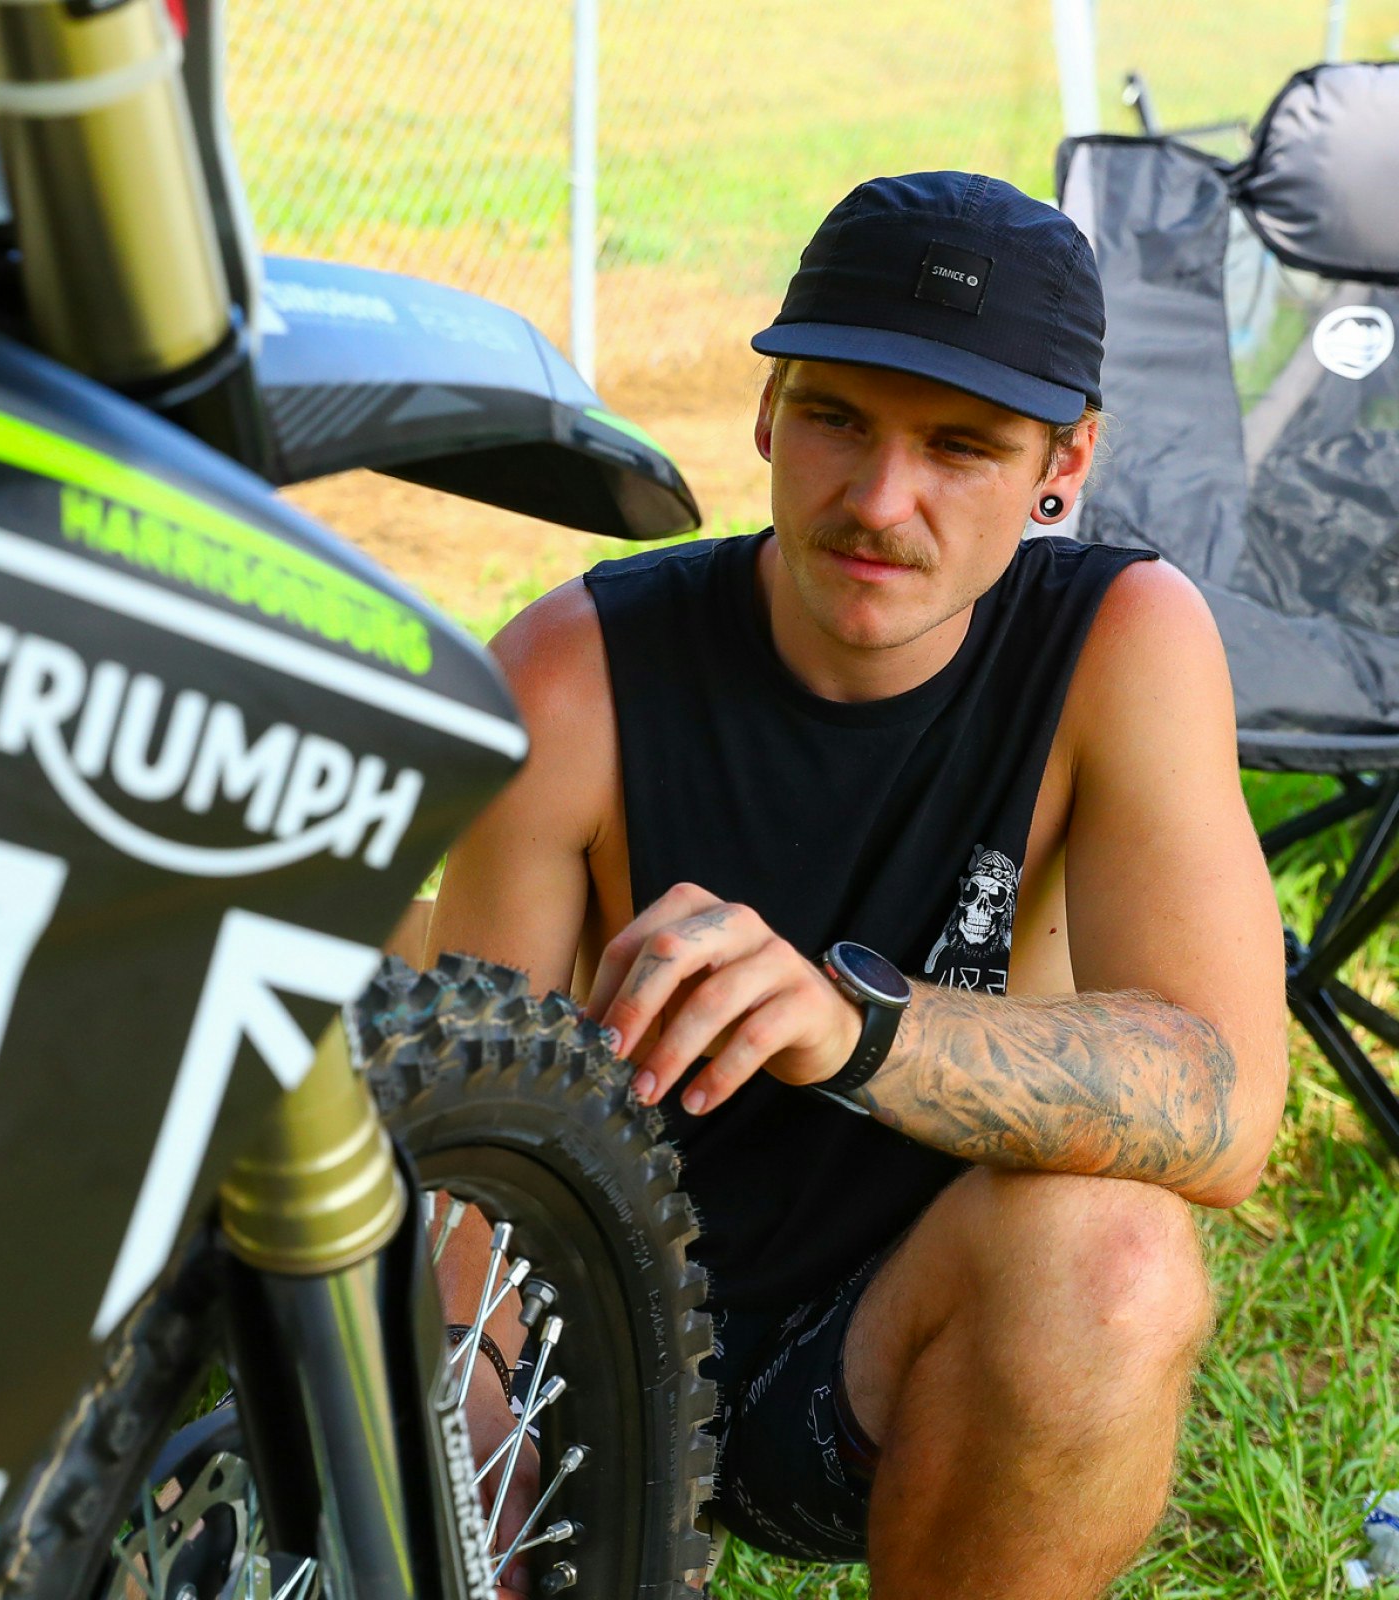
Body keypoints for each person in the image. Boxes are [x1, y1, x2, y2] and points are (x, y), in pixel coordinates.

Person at [430, 172, 1287, 1598]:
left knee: (1118, 1253)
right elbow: (469, 1199)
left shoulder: (1118, 644)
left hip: (903, 1342)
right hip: (601, 1346)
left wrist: (855, 1029)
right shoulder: (573, 676)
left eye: (962, 446)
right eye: (837, 418)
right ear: (767, 411)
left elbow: (1222, 1102)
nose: (881, 501)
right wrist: (482, 1518)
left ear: (1063, 462)